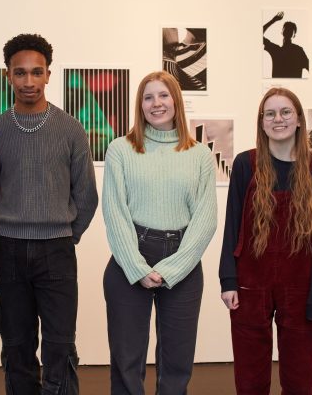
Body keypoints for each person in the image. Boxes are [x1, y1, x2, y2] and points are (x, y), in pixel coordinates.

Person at [0, 33, 99, 394]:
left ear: (50, 74)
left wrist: (65, 236)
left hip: (57, 252)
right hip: (9, 251)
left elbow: (87, 196)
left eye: (37, 72)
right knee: (16, 347)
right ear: (8, 76)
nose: (29, 81)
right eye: (20, 73)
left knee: (60, 347)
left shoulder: (71, 129)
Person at [102, 71, 218, 394]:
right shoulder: (120, 150)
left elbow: (205, 220)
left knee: (177, 362)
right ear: (140, 105)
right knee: (127, 360)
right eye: (148, 97)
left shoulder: (199, 155)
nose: (157, 103)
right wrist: (137, 268)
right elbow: (115, 214)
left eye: (163, 95)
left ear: (176, 101)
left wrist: (172, 270)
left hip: (183, 259)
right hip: (130, 258)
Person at [219, 87, 312, 395]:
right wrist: (228, 279)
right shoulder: (246, 165)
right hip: (249, 284)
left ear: (298, 120)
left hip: (301, 286)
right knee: (250, 379)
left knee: (299, 379)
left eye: (285, 112)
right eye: (270, 113)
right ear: (261, 121)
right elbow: (232, 224)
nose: (278, 119)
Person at [263, 11, 309, 78]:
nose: (288, 30)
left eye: (291, 30)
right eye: (287, 29)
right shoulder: (276, 49)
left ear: (294, 35)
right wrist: (273, 20)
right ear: (282, 32)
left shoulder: (298, 51)